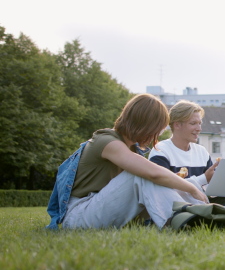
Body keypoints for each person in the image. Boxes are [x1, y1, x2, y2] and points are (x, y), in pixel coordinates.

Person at [47, 94, 208, 230]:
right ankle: (183, 222)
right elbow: (153, 173)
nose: (156, 136)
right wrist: (192, 189)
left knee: (152, 176)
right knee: (142, 175)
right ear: (145, 124)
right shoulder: (107, 141)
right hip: (78, 216)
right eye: (156, 129)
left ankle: (199, 215)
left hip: (98, 209)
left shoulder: (129, 148)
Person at [149, 100, 225, 209]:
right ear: (177, 125)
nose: (199, 129)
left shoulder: (201, 151)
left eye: (200, 123)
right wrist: (204, 178)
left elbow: (210, 188)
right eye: (193, 123)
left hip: (204, 200)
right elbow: (164, 189)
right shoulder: (161, 151)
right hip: (179, 203)